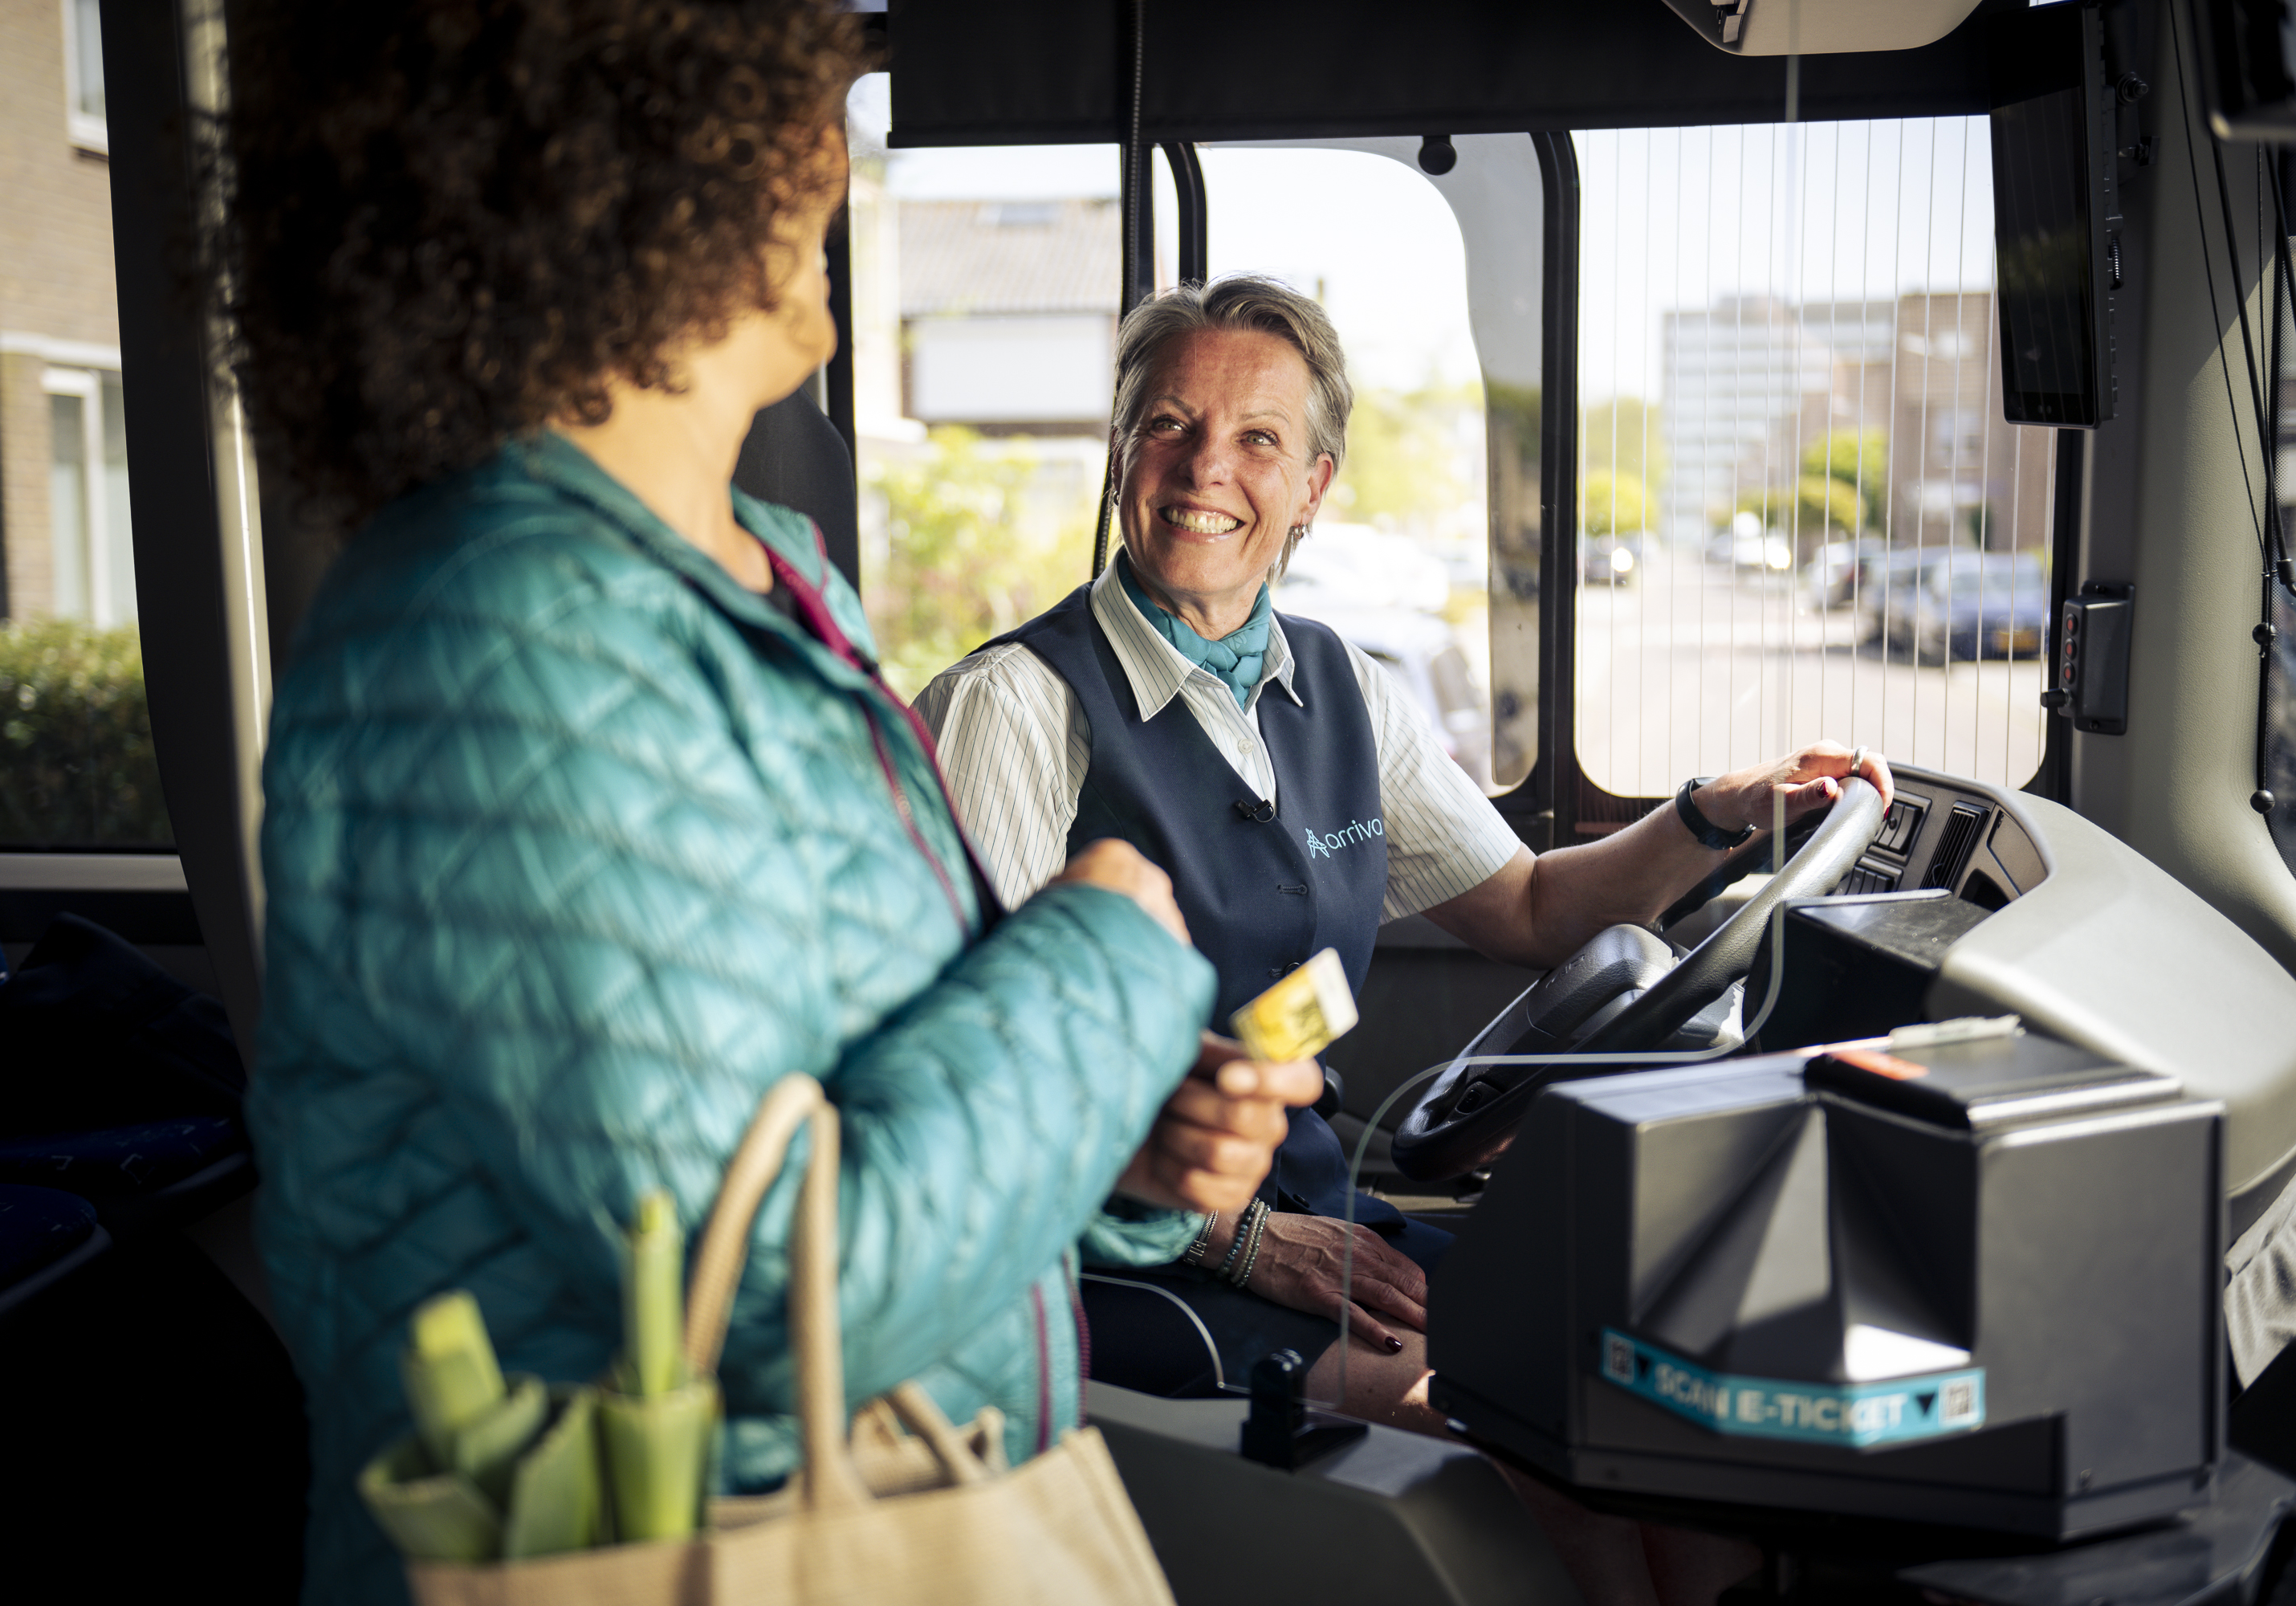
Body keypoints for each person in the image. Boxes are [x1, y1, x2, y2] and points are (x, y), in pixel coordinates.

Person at [217, 10, 1317, 1603]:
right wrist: (1105, 960)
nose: (833, 152)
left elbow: (862, 1077)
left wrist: (1119, 1152)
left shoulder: (767, 574)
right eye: (791, 109)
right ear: (631, 167)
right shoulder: (504, 640)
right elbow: (765, 1292)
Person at [917, 275, 1894, 1436]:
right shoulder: (1013, 706)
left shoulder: (1342, 688)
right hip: (1110, 1261)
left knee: (1673, 1368)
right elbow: (972, 1083)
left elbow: (1530, 907)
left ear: (1313, 486)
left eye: (1258, 439)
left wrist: (1713, 816)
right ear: (1121, 454)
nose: (1206, 467)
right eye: (1169, 424)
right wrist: (1238, 1240)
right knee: (1560, 1425)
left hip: (1318, 1217)